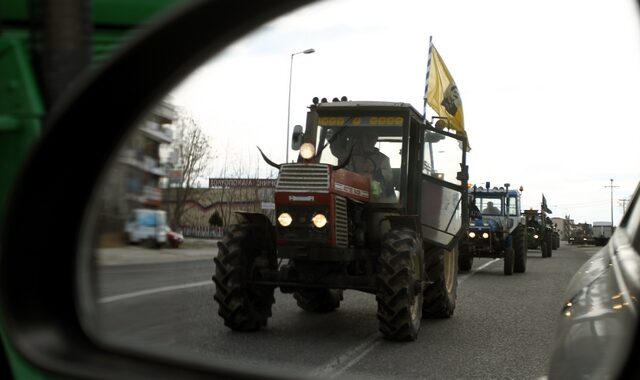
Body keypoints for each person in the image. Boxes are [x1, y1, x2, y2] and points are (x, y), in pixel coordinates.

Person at [329, 131, 394, 201]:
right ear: (362, 138)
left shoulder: (383, 159)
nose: (369, 140)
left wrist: (375, 173)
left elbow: (388, 177)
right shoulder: (350, 155)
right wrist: (332, 135)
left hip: (373, 196)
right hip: (351, 192)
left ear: (376, 139)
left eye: (372, 137)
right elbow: (336, 150)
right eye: (366, 136)